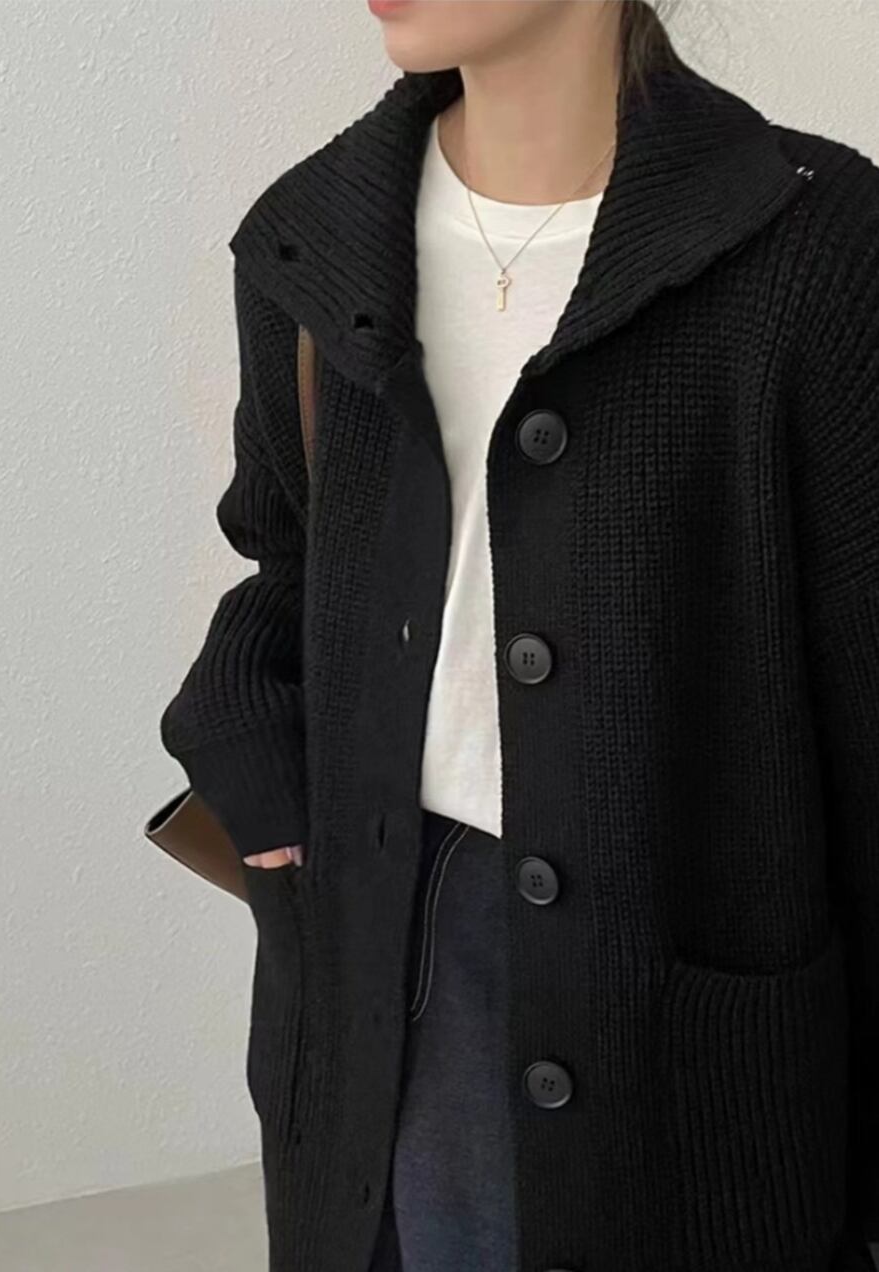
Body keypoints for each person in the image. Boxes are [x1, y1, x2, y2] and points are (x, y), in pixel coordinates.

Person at [157, 2, 879, 1269]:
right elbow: (289, 554)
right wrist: (244, 734)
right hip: (380, 935)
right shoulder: (311, 237)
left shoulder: (814, 243)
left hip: (675, 969)